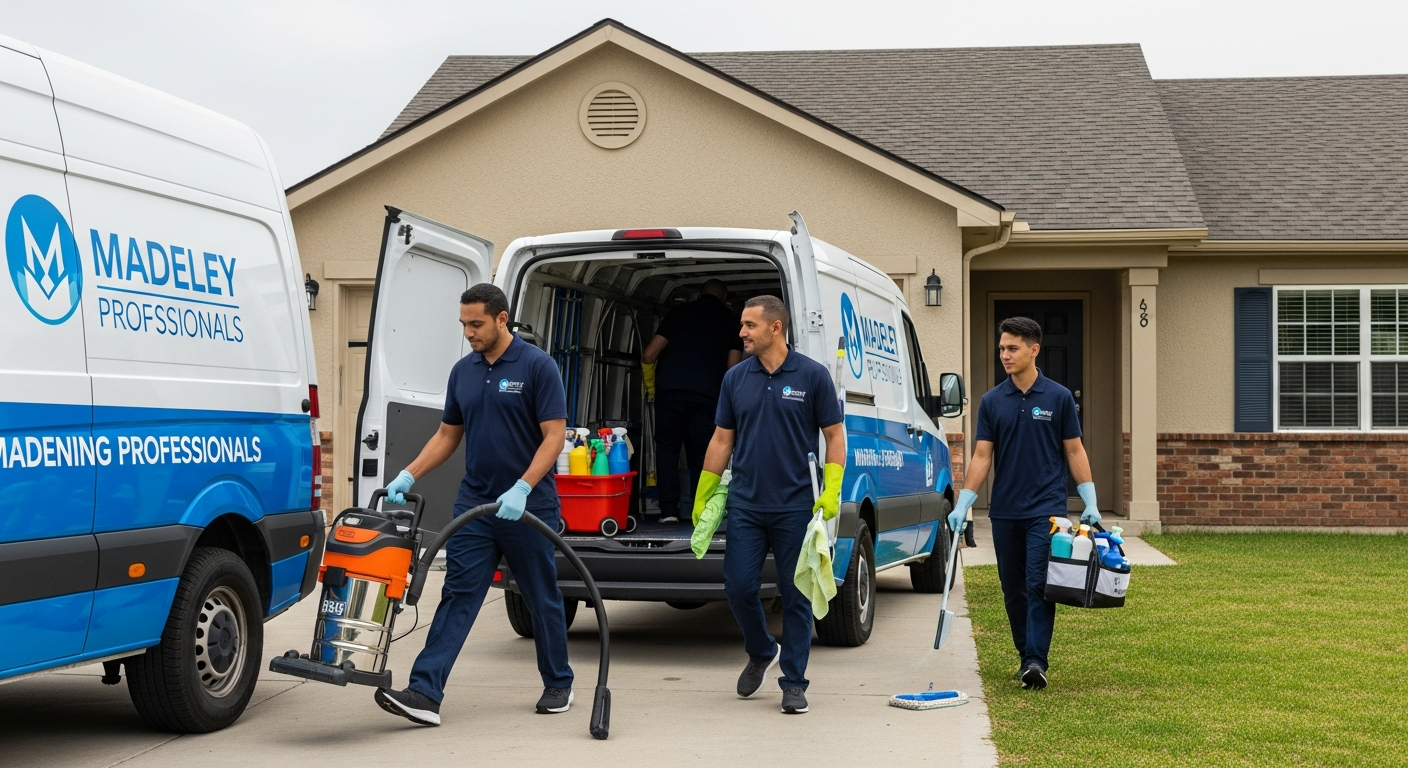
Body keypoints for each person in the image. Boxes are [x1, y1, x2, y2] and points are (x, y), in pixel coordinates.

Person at [372, 283, 573, 726]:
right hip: (475, 504)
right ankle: (424, 692)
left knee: (540, 597)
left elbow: (554, 436)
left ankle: (559, 681)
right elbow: (448, 434)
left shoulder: (537, 366)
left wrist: (522, 487)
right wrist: (409, 474)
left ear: (502, 318)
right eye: (463, 324)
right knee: (458, 594)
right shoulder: (462, 371)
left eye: (476, 324)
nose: (468, 333)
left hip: (528, 506)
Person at [694, 295, 846, 715]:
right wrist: (705, 491)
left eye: (749, 325)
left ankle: (794, 682)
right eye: (743, 325)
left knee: (797, 596)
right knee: (739, 587)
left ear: (775, 328)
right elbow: (722, 438)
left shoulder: (812, 376)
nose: (741, 332)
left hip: (796, 506)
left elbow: (835, 435)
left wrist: (832, 489)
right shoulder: (735, 378)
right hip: (745, 503)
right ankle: (762, 650)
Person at [947, 316, 1099, 691]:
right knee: (1012, 589)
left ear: (1034, 350)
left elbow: (1074, 449)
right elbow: (982, 456)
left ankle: (1035, 660)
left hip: (1047, 510)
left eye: (1012, 348)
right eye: (1002, 348)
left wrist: (1089, 498)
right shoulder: (992, 401)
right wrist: (963, 502)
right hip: (1005, 511)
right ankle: (1025, 656)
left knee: (1038, 584)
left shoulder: (1059, 398)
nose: (1005, 355)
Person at [642, 279, 744, 524]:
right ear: (724, 298)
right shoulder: (731, 320)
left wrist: (651, 386)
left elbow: (649, 354)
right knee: (703, 454)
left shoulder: (678, 313)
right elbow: (733, 368)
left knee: (667, 450)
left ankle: (668, 511)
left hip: (670, 394)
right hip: (708, 397)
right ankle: (701, 513)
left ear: (700, 294)